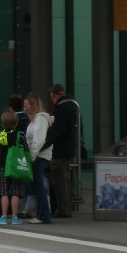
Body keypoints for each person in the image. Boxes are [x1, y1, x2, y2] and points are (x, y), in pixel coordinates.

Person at [44, 83, 78, 218]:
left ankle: (63, 210)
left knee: (59, 181)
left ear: (53, 95)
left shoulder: (61, 107)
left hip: (59, 148)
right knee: (65, 180)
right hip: (68, 148)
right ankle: (66, 208)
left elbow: (58, 129)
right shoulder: (72, 105)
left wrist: (45, 143)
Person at [23, 93, 52, 224]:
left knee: (38, 185)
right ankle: (42, 213)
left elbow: (38, 140)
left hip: (38, 156)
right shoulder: (36, 120)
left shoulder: (40, 120)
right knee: (37, 184)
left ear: (33, 105)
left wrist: (32, 156)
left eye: (26, 105)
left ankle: (43, 215)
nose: (24, 109)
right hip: (38, 155)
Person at [0, 110, 25, 225]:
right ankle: (14, 217)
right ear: (16, 123)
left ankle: (3, 216)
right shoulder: (19, 134)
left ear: (3, 123)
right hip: (16, 165)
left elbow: (1, 147)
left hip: (3, 165)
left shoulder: (1, 134)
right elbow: (24, 148)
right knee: (15, 192)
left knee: (4, 192)